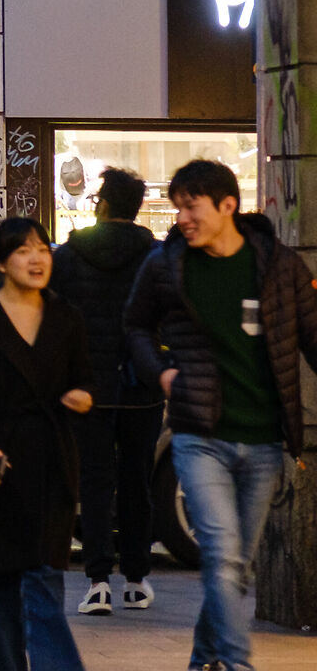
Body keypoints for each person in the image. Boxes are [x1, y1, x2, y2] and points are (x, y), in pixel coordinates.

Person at [124, 159, 317, 671]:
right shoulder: (165, 266)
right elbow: (136, 326)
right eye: (178, 208)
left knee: (234, 566)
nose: (182, 218)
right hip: (199, 436)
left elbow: (313, 336)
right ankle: (237, 663)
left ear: (227, 205)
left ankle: (203, 658)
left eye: (192, 207)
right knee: (224, 557)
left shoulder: (279, 266)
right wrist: (161, 373)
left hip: (264, 441)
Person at [0, 217, 93, 671]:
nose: (37, 259)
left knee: (44, 582)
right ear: (0, 262)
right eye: (24, 251)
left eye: (43, 250)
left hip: (50, 464)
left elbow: (85, 378)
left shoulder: (66, 317)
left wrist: (82, 396)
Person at [48, 166, 160, 615]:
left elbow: (53, 316)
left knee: (94, 481)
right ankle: (136, 579)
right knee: (137, 480)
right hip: (140, 386)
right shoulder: (155, 255)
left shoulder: (69, 256)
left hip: (89, 388)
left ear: (104, 204)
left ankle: (98, 583)